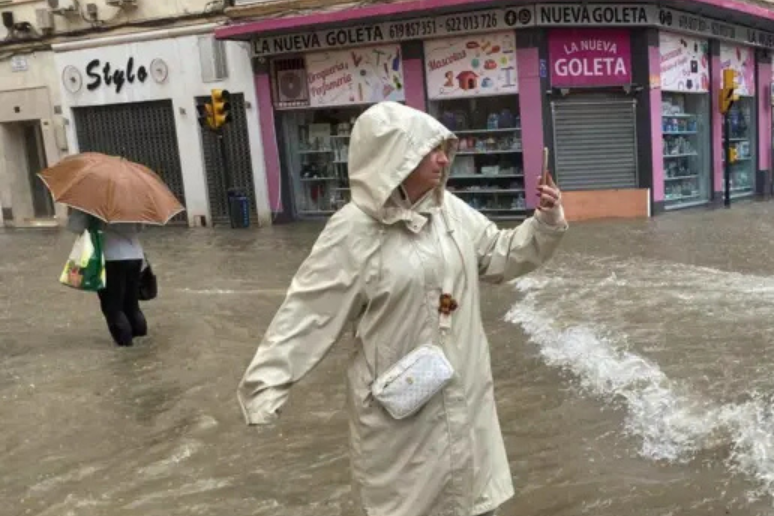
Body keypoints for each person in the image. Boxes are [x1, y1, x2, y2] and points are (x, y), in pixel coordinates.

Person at [237, 102, 568, 516]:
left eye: (443, 149)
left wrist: (545, 222)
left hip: (464, 396)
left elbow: (499, 255)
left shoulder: (451, 213)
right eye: (431, 150)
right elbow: (309, 311)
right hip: (401, 416)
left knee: (473, 498)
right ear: (394, 157)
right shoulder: (353, 230)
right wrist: (267, 383)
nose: (444, 158)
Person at [67, 209, 147, 346]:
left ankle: (125, 348)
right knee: (131, 304)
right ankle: (142, 343)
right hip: (135, 255)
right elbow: (140, 227)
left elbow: (76, 227)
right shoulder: (131, 200)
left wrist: (77, 212)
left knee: (113, 307)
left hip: (110, 257)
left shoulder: (91, 203)